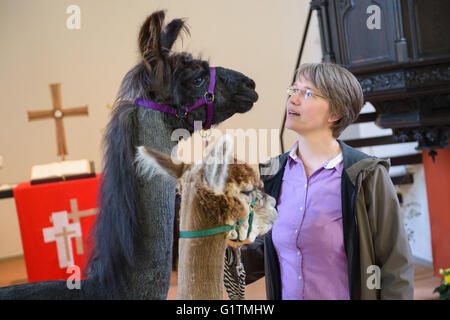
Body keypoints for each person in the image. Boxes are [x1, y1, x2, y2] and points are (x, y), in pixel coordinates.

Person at [225, 62, 414, 300]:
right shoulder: (271, 173)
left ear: (335, 113)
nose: (293, 100)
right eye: (293, 90)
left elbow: (395, 265)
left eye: (306, 93)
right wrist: (221, 245)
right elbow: (269, 248)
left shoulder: (366, 175)